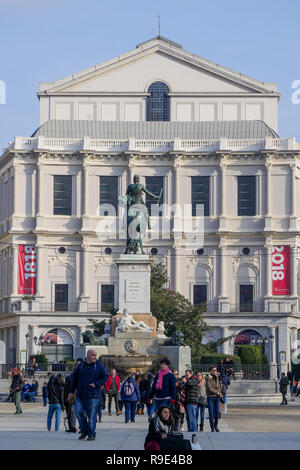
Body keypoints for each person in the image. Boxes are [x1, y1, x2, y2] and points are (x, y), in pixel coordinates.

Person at [69, 349, 108, 441]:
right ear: (88, 356)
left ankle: (91, 434)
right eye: (93, 355)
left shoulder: (98, 365)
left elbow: (105, 376)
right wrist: (71, 392)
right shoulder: (81, 365)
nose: (95, 357)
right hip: (81, 394)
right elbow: (74, 379)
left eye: (95, 355)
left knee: (92, 416)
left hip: (93, 395)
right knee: (77, 411)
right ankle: (84, 430)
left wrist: (97, 383)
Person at [64, 358, 83, 433]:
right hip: (73, 397)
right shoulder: (70, 377)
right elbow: (66, 389)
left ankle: (83, 427)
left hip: (81, 397)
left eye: (79, 364)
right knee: (71, 411)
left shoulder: (85, 375)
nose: (78, 366)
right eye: (77, 364)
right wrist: (65, 398)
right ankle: (72, 427)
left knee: (81, 413)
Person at [206, 366, 223, 432]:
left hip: (217, 397)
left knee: (217, 412)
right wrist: (217, 392)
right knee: (211, 413)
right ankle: (212, 428)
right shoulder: (208, 378)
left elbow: (219, 386)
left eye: (215, 370)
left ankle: (216, 426)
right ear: (210, 371)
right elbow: (209, 388)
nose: (215, 371)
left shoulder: (217, 377)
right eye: (213, 370)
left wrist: (220, 393)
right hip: (210, 397)